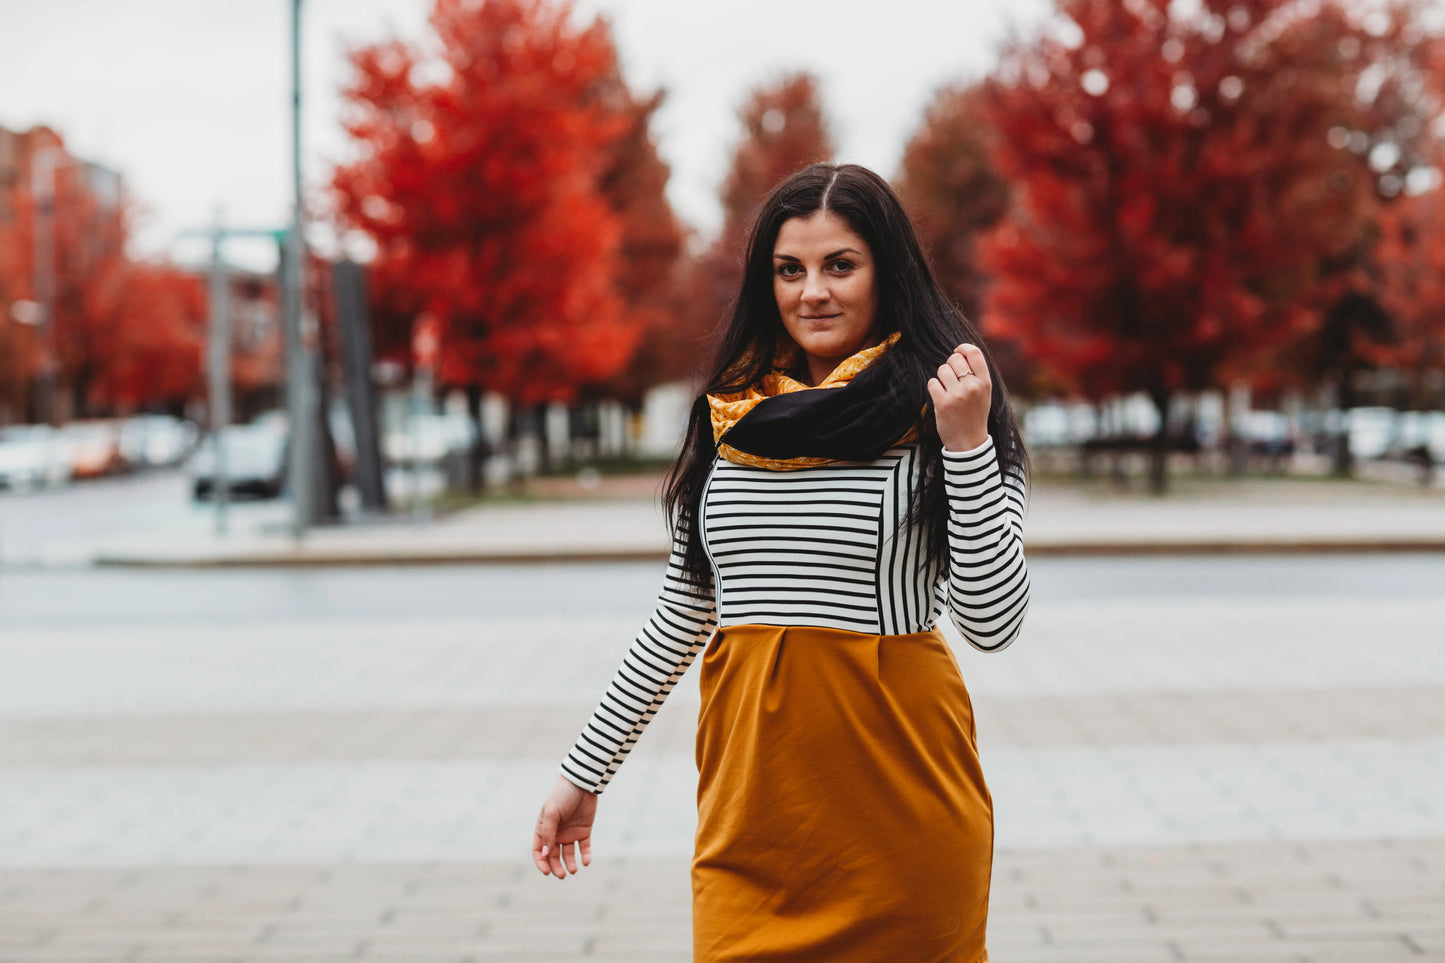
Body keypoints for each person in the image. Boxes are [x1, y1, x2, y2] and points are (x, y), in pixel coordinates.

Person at [531, 162, 1030, 962]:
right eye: (788, 270)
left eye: (840, 265)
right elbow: (678, 616)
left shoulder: (948, 407)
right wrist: (584, 772)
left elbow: (993, 620)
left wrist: (966, 445)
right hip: (751, 810)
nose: (812, 292)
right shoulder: (732, 419)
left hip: (900, 803)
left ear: (886, 273)